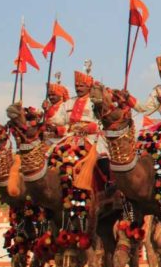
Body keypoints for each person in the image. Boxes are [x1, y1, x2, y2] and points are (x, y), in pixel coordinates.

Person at [47, 60, 112, 189]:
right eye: (76, 85)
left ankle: (109, 185)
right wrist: (49, 115)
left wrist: (92, 127)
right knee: (52, 154)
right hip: (71, 136)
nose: (78, 88)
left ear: (89, 87)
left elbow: (103, 120)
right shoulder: (68, 103)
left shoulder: (95, 101)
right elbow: (58, 119)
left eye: (81, 86)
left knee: (102, 157)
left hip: (92, 137)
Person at [42, 72, 69, 144]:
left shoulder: (65, 106)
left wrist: (57, 129)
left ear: (60, 95)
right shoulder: (48, 107)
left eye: (53, 95)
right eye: (49, 95)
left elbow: (70, 125)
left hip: (62, 141)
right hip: (46, 142)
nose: (51, 97)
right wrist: (45, 111)